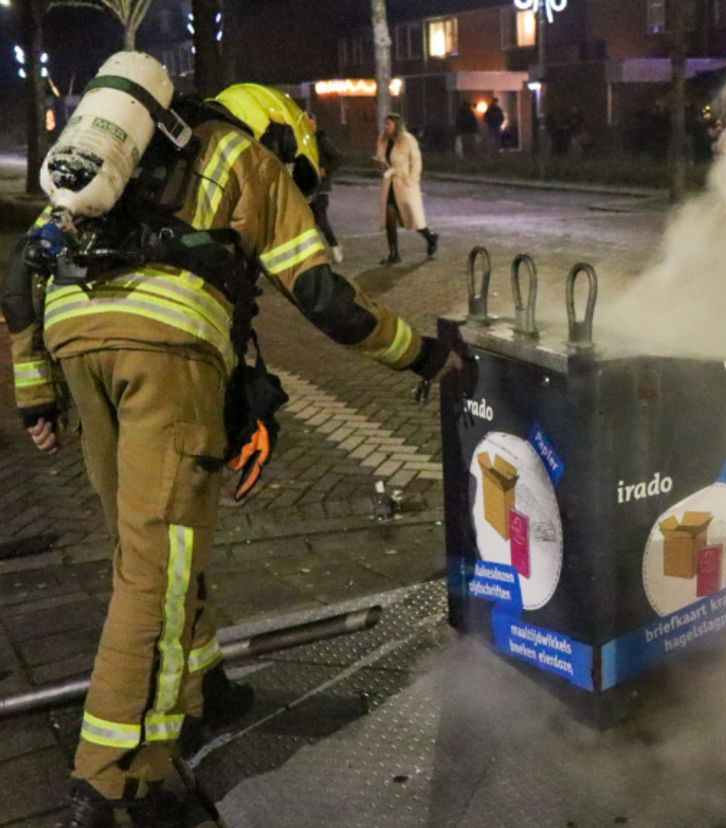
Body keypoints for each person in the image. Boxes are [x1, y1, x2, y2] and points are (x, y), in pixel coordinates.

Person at [2, 61, 461, 828]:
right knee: (155, 569)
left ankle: (202, 686)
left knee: (154, 543)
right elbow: (324, 300)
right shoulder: (246, 160)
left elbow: (22, 275)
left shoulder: (129, 165)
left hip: (78, 351)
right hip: (165, 362)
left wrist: (33, 394)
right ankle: (113, 776)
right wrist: (423, 354)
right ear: (280, 135)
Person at [376, 113, 439, 266]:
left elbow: (416, 160)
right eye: (385, 124)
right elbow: (382, 157)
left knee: (413, 218)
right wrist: (380, 164)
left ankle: (430, 237)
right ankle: (394, 254)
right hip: (390, 183)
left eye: (389, 124)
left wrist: (412, 178)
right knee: (389, 219)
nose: (386, 127)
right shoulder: (383, 140)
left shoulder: (407, 139)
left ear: (396, 125)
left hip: (405, 184)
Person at [310, 122, 343, 263]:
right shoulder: (300, 139)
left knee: (321, 219)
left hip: (321, 188)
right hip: (307, 187)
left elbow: (338, 157)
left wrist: (325, 169)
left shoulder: (321, 140)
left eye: (309, 119)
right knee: (308, 221)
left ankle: (334, 246)